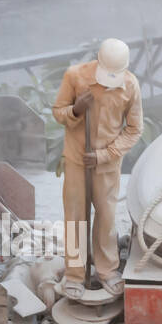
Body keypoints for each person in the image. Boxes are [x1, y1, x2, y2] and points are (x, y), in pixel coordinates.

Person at [51, 38, 143, 300]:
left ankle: (106, 270)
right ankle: (75, 274)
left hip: (106, 164)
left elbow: (135, 129)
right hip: (77, 160)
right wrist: (76, 111)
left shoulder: (130, 85)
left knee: (106, 217)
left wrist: (105, 154)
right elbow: (58, 112)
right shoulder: (75, 76)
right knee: (76, 216)